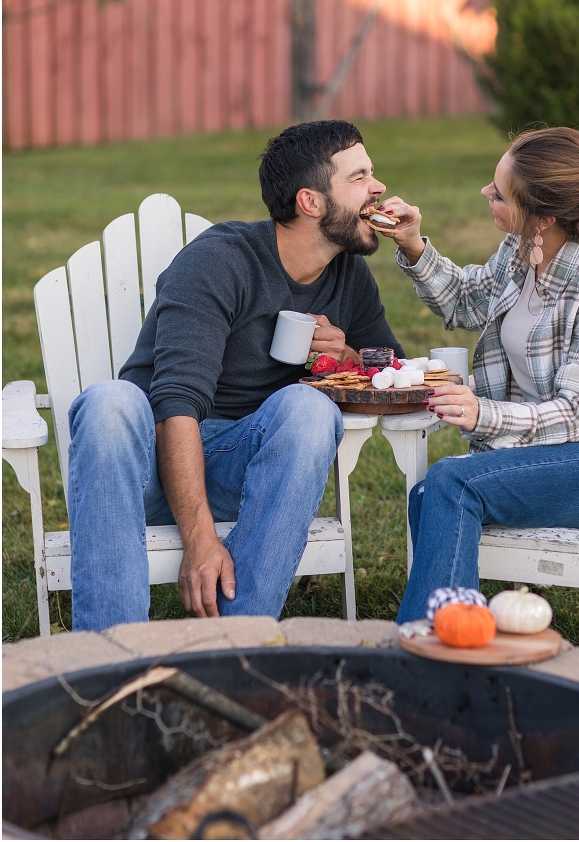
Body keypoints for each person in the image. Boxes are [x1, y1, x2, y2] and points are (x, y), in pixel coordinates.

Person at [68, 120, 403, 631]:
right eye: (359, 178)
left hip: (239, 469)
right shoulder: (220, 261)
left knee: (309, 407)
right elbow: (175, 401)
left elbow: (391, 374)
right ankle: (110, 656)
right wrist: (201, 538)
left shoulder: (347, 275)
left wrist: (345, 357)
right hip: (143, 468)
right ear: (310, 202)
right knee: (111, 403)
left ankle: (237, 642)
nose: (378, 188)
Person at [377, 126, 579, 623]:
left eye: (499, 193)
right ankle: (458, 633)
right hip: (543, 451)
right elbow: (466, 300)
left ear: (544, 216)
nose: (485, 194)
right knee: (430, 494)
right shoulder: (525, 250)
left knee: (451, 483)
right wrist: (412, 244)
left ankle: (427, 647)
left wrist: (483, 415)